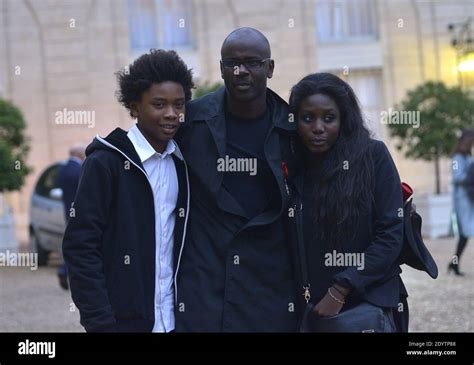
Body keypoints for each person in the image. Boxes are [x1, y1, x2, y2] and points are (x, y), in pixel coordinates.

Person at [174, 27, 298, 332]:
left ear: (269, 68)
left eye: (252, 62)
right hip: (206, 279)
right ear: (221, 69)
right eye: (231, 63)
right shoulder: (190, 121)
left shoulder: (292, 128)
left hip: (271, 282)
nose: (240, 71)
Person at [62, 49, 193, 332]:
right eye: (159, 104)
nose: (171, 114)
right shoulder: (105, 163)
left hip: (175, 322)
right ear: (134, 107)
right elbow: (80, 247)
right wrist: (100, 323)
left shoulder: (183, 163)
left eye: (179, 105)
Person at [288, 73, 408, 332]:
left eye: (328, 118)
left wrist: (340, 289)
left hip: (368, 303)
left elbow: (390, 235)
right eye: (307, 118)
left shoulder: (373, 156)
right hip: (312, 312)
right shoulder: (294, 167)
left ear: (344, 120)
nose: (318, 127)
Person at [56, 144, 86, 290]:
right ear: (80, 154)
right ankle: (64, 271)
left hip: (68, 211)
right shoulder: (80, 170)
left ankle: (64, 270)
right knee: (81, 246)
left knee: (75, 244)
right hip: (81, 212)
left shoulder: (63, 169)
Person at [449, 129, 474, 276]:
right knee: (465, 233)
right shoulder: (457, 158)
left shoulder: (467, 157)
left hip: (469, 199)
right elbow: (457, 177)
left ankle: (454, 263)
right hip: (463, 200)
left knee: (465, 235)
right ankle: (454, 263)